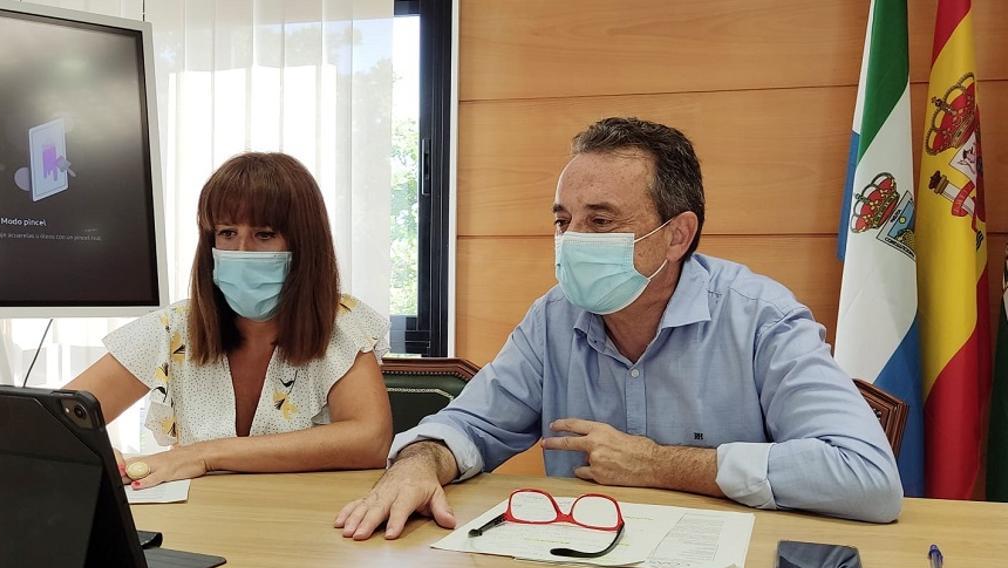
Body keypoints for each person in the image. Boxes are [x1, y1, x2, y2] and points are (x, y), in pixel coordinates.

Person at [336, 117, 903, 540]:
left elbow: (866, 476)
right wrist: (417, 462)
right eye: (563, 221)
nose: (572, 240)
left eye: (600, 221)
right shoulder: (554, 318)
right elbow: (468, 426)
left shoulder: (761, 318)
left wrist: (662, 465)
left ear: (678, 235)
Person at [68, 152, 393, 489]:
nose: (241, 250)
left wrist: (204, 455)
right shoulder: (172, 328)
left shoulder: (342, 324)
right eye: (226, 233)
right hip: (199, 525)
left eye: (264, 235)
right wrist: (97, 450)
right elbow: (51, 422)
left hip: (307, 527)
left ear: (303, 243)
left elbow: (369, 440)